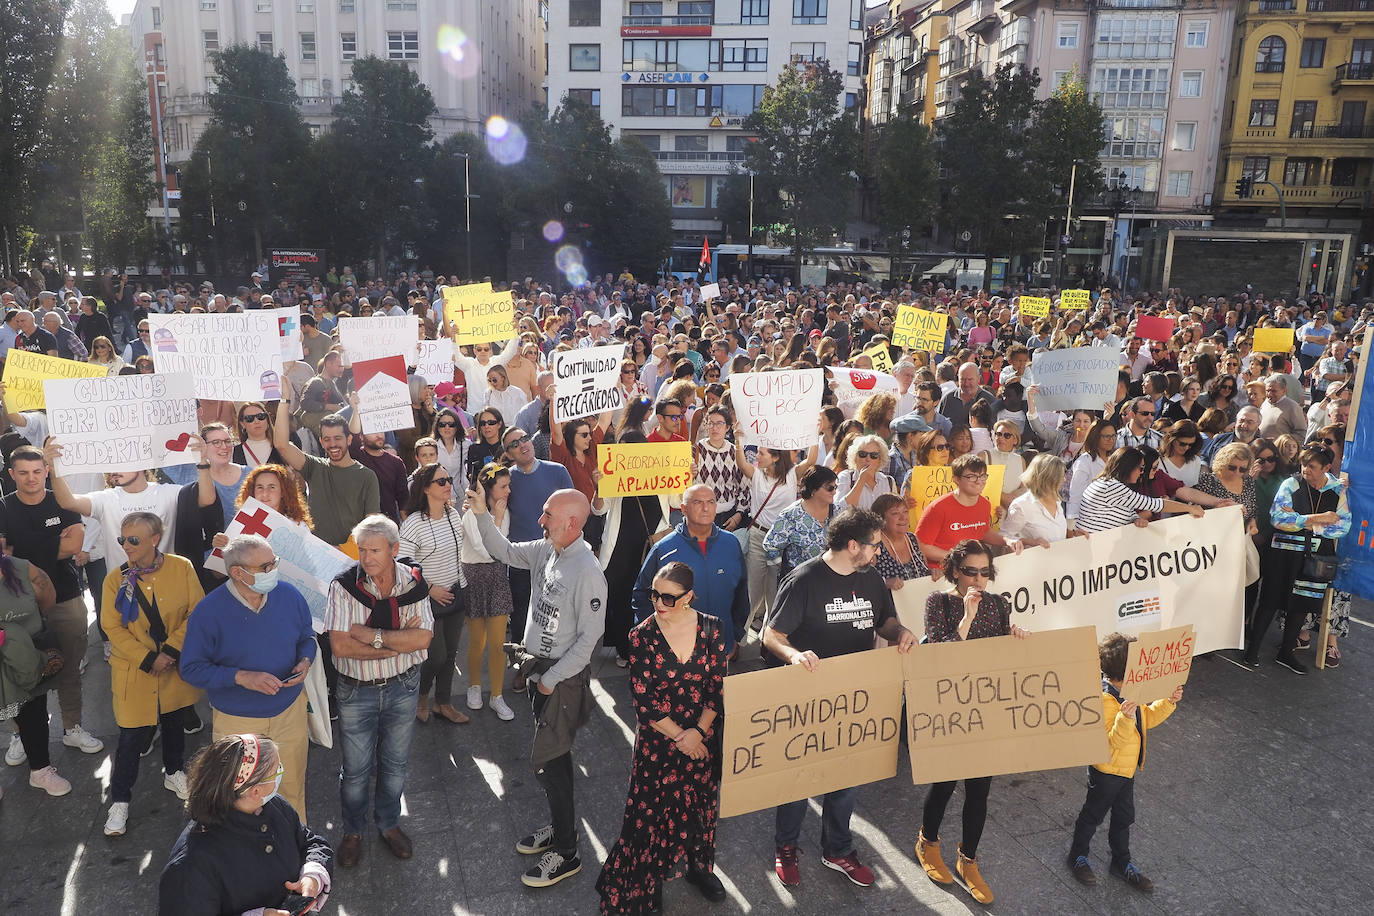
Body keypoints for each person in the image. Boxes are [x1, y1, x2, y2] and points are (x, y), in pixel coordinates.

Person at [764, 507, 917, 889]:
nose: (879, 553)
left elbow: (885, 621)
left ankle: (837, 848)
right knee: (798, 780)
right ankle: (786, 847)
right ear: (853, 545)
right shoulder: (804, 580)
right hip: (809, 697)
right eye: (874, 546)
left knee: (846, 778)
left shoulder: (871, 580)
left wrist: (902, 633)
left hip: (855, 698)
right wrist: (795, 655)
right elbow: (771, 635)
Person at [469, 484, 605, 889]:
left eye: (547, 515)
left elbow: (588, 641)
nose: (540, 520)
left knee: (554, 763)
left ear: (573, 523)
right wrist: (480, 513)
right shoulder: (548, 548)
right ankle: (559, 826)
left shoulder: (588, 572)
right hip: (539, 676)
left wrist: (548, 680)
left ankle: (566, 853)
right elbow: (506, 551)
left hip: (557, 683)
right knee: (552, 763)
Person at [596, 562, 729, 914]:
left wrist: (698, 732)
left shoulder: (713, 628)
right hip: (659, 743)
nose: (659, 603)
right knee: (650, 815)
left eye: (669, 598)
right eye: (655, 594)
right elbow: (645, 701)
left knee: (701, 808)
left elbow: (716, 689)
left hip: (702, 738)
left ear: (689, 597)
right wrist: (682, 738)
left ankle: (700, 869)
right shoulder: (641, 635)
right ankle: (646, 881)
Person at [915, 539, 1031, 904]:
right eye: (970, 572)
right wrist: (966, 618)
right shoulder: (939, 602)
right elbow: (938, 655)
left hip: (986, 709)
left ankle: (968, 859)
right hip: (950, 709)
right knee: (946, 783)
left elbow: (1002, 659)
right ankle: (928, 842)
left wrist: (1016, 640)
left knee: (980, 789)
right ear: (954, 571)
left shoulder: (999, 604)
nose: (978, 579)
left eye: (985, 572)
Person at [179, 534, 317, 822]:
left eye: (273, 562)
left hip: (289, 713)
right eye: (265, 567)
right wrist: (240, 677)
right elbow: (191, 669)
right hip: (238, 722)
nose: (273, 571)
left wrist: (306, 660)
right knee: (241, 798)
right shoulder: (208, 612)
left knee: (292, 790)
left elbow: (307, 636)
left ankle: (298, 848)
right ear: (237, 573)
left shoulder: (289, 595)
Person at [324, 515, 435, 868]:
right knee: (355, 771)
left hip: (403, 687)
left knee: (395, 765)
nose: (366, 557)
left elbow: (423, 638)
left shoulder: (413, 583)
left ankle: (388, 824)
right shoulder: (342, 586)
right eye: (362, 550)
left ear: (395, 550)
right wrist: (395, 646)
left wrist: (370, 636)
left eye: (375, 550)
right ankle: (353, 831)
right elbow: (340, 647)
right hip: (356, 692)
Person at [99, 512, 204, 837]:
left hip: (173, 669)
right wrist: (148, 659)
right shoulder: (116, 579)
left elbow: (196, 610)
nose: (125, 546)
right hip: (136, 672)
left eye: (133, 540)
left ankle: (173, 771)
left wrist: (171, 650)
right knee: (130, 739)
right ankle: (120, 800)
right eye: (122, 539)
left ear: (155, 539)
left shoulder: (182, 567)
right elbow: (111, 626)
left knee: (174, 722)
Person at [0, 445, 103, 756]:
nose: (32, 478)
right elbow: (4, 554)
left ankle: (72, 726)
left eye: (37, 471)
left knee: (70, 666)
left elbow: (74, 544)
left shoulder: (62, 500)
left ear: (47, 471)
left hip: (66, 595)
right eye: (23, 473)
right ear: (11, 474)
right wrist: (52, 543)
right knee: (18, 674)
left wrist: (23, 549)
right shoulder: (3, 506)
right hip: (16, 605)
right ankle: (22, 734)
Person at [158, 734, 334, 915]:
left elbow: (310, 842)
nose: (281, 774)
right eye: (277, 771)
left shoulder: (273, 805)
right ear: (255, 791)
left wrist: (312, 876)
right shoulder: (190, 866)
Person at [1066, 632, 1182, 893]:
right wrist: (1125, 719)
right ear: (1125, 672)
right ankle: (1077, 856)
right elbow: (1110, 744)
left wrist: (1168, 702)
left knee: (1124, 817)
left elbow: (1147, 719)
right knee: (1092, 815)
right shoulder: (1104, 700)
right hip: (1106, 773)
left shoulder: (1132, 693)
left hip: (1127, 771)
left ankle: (1121, 862)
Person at [1247, 444, 1350, 673]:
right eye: (1304, 464)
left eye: (1312, 466)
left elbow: (1343, 525)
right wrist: (1317, 518)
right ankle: (1252, 650)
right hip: (1284, 552)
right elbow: (1278, 518)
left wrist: (1306, 525)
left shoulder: (1337, 490)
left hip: (1316, 555)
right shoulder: (1291, 483)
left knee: (1302, 604)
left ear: (1326, 467)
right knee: (1270, 600)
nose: (1306, 470)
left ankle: (1286, 653)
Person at [632, 484, 748, 657]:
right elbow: (641, 596)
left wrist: (735, 635)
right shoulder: (663, 549)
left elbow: (741, 593)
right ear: (684, 509)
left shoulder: (731, 544)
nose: (705, 508)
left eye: (710, 502)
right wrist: (655, 640)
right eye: (698, 502)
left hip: (720, 649)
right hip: (676, 653)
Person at [500, 424, 574, 693]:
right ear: (508, 453)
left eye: (524, 438)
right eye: (514, 443)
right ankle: (522, 668)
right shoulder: (506, 479)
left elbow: (573, 511)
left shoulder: (558, 471)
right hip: (522, 561)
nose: (523, 444)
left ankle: (557, 668)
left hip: (558, 557)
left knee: (559, 614)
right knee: (521, 616)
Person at [398, 463, 470, 725]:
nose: (448, 484)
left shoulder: (453, 515)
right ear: (426, 488)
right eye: (441, 481)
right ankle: (421, 697)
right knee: (436, 655)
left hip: (456, 593)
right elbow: (403, 564)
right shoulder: (414, 522)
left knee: (451, 654)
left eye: (448, 479)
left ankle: (444, 703)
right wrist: (429, 589)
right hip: (427, 599)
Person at [0, 531, 70, 796]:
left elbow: (47, 598)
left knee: (33, 712)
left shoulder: (23, 569)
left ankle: (40, 771)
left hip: (27, 658)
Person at [274, 379, 380, 548]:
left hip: (351, 561)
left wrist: (344, 550)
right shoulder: (314, 466)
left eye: (338, 438)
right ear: (321, 442)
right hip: (317, 557)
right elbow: (281, 445)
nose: (333, 444)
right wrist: (284, 400)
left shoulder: (367, 476)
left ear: (349, 439)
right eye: (327, 439)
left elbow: (371, 525)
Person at [459, 463, 516, 721]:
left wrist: (500, 517)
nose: (508, 491)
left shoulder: (505, 511)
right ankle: (473, 686)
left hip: (496, 578)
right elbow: (485, 550)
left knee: (498, 644)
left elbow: (502, 549)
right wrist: (498, 519)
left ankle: (496, 696)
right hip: (474, 576)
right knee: (477, 642)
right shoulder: (470, 512)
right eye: (503, 486)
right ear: (488, 488)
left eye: (508, 485)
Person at [915, 455, 1024, 572]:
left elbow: (983, 530)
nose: (979, 481)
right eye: (971, 477)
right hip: (941, 574)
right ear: (956, 479)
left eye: (982, 476)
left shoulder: (984, 504)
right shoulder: (938, 508)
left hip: (971, 572)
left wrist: (1007, 541)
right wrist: (956, 558)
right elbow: (920, 546)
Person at [1076, 448, 1206, 534]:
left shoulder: (1107, 483)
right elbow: (1157, 504)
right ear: (1128, 468)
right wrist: (1191, 509)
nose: (1142, 472)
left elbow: (1122, 511)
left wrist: (1135, 519)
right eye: (1140, 468)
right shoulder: (1112, 487)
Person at [1001, 454, 1069, 547]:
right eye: (1060, 476)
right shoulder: (1021, 505)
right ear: (1047, 479)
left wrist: (1075, 536)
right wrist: (1029, 542)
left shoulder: (1057, 500)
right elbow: (1004, 536)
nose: (1064, 479)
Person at [1066, 419, 1118, 534]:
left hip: (1113, 522)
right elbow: (1075, 496)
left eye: (1114, 436)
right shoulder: (1084, 462)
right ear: (1095, 437)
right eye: (1106, 436)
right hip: (1089, 525)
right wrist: (1071, 528)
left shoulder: (1115, 459)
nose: (1111, 440)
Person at [872, 492, 931, 589]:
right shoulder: (874, 544)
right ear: (881, 519)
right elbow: (863, 581)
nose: (903, 518)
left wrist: (933, 573)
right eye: (895, 513)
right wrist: (884, 582)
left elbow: (925, 570)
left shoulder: (913, 539)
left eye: (905, 511)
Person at [835, 434, 897, 510]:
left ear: (880, 459)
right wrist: (861, 481)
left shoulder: (888, 481)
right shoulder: (846, 477)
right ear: (855, 457)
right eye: (862, 454)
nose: (868, 459)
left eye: (873, 455)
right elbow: (839, 509)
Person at [232, 401, 286, 470]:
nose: (256, 421)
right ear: (242, 424)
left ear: (267, 419)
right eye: (249, 418)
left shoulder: (282, 448)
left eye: (261, 416)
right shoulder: (233, 452)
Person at [1258, 374, 1306, 439]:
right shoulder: (1265, 403)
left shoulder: (1293, 407)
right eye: (1267, 391)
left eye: (1273, 391)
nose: (1269, 394)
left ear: (1284, 391)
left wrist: (1283, 442)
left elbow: (1301, 432)